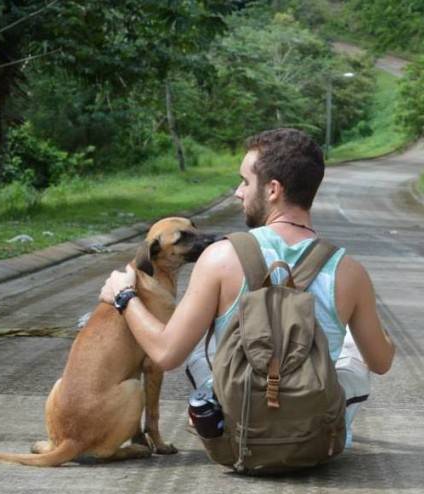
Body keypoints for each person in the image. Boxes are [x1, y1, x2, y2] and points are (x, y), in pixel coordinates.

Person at [99, 128, 395, 448]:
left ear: (272, 190)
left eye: (244, 181)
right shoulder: (350, 271)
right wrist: (371, 329)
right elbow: (380, 362)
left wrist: (124, 296)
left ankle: (208, 406)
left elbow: (166, 354)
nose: (238, 193)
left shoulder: (220, 258)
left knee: (192, 332)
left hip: (237, 441)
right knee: (354, 343)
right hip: (316, 444)